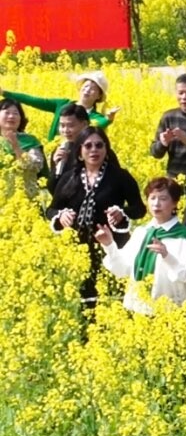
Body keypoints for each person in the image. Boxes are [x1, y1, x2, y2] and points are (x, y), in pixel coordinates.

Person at [48, 126, 144, 304]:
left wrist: (121, 212)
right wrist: (61, 216)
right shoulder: (69, 177)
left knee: (112, 296)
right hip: (77, 249)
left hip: (111, 246)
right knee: (83, 299)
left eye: (99, 145)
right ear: (79, 152)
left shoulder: (120, 177)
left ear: (106, 150)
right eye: (88, 146)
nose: (94, 150)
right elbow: (51, 209)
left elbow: (139, 209)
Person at [96, 177, 186, 315]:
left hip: (170, 313)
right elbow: (123, 269)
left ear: (175, 203)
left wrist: (167, 256)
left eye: (163, 199)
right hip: (138, 310)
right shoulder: (141, 233)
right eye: (152, 198)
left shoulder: (182, 237)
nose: (156, 204)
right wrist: (109, 245)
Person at [4, 71, 114, 140]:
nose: (87, 90)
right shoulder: (62, 104)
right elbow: (33, 100)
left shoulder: (96, 117)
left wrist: (108, 119)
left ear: (99, 96)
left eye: (93, 89)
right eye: (85, 86)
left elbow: (97, 125)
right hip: (54, 153)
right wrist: (4, 93)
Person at [0, 96, 46, 190]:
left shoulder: (30, 141)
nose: (11, 116)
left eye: (15, 113)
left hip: (24, 193)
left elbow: (36, 166)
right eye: (7, 113)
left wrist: (16, 147)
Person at [48, 103, 92, 184]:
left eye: (70, 126)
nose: (65, 130)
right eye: (62, 126)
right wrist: (56, 166)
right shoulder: (60, 151)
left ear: (85, 124)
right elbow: (53, 187)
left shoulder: (96, 149)